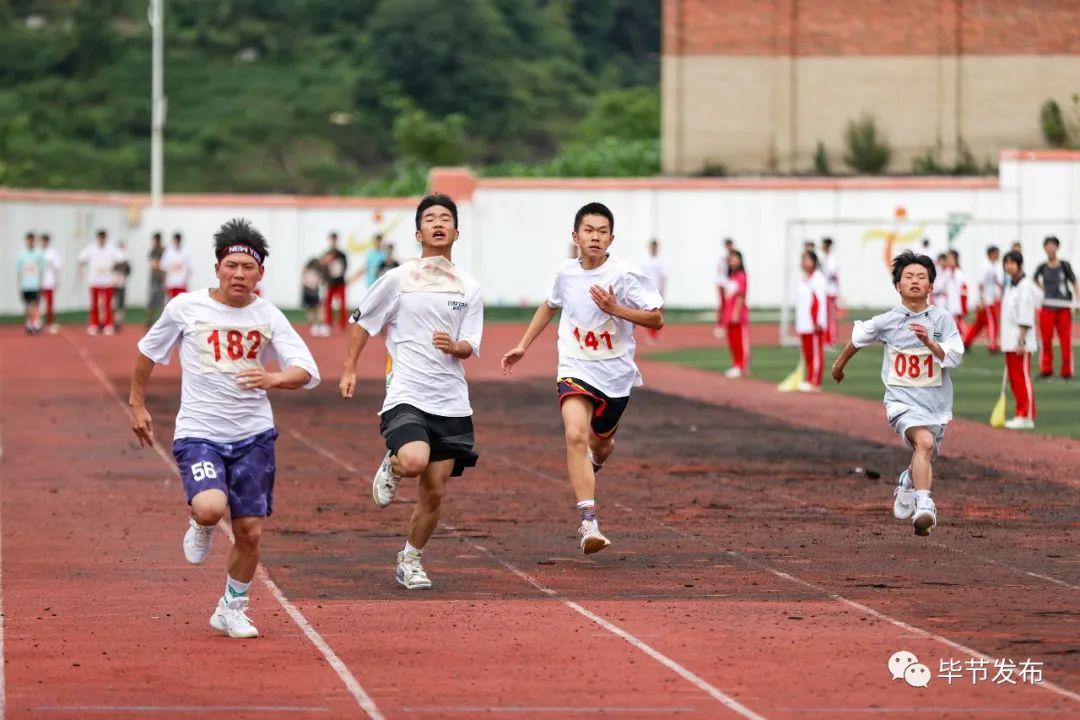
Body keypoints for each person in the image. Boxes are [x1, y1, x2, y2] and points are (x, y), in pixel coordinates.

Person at [129, 218, 320, 638]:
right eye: (231, 266)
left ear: (260, 274)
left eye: (247, 268)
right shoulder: (185, 308)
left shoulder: (268, 315)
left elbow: (306, 370)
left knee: (250, 531)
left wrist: (273, 378)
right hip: (200, 432)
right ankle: (200, 521)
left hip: (254, 436)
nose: (239, 274)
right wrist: (137, 404)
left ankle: (232, 607)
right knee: (212, 507)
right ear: (217, 268)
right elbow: (148, 352)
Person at [501, 202, 664, 555]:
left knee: (600, 443)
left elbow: (656, 320)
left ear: (611, 238)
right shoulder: (566, 274)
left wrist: (615, 309)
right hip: (575, 366)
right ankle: (588, 522)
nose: (595, 236)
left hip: (615, 374)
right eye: (588, 230)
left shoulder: (625, 276)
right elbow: (549, 304)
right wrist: (522, 345)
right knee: (574, 434)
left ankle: (598, 456)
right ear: (576, 237)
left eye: (602, 231)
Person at [340, 194, 483, 590]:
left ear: (456, 231)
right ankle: (394, 463)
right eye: (430, 218)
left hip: (451, 399)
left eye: (446, 218)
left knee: (434, 492)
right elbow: (363, 322)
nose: (438, 223)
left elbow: (471, 342)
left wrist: (456, 347)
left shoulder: (469, 288)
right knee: (415, 461)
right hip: (406, 393)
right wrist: (350, 369)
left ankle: (411, 559)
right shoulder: (399, 279)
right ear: (418, 232)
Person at [831, 251, 963, 536]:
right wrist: (839, 365)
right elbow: (857, 339)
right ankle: (925, 505)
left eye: (921, 277)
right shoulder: (887, 321)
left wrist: (930, 343)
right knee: (924, 443)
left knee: (924, 451)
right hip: (901, 402)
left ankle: (908, 481)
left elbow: (955, 356)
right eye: (909, 277)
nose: (915, 282)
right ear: (898, 286)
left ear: (931, 286)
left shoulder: (942, 321)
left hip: (936, 403)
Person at [1000, 250, 1040, 428]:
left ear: (1019, 265)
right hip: (1009, 340)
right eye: (1006, 263)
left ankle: (1027, 415)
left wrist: (1022, 341)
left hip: (1020, 341)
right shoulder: (1010, 285)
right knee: (1015, 379)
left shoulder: (1025, 286)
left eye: (1011, 263)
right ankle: (1020, 413)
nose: (1008, 266)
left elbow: (1026, 315)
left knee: (1022, 377)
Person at [1033, 236, 1077, 380]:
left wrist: (1077, 301)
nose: (1050, 248)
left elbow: (1074, 282)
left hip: (1063, 307)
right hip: (1047, 307)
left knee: (1065, 340)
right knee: (1046, 340)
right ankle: (1046, 369)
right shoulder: (1042, 267)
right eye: (1048, 245)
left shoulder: (1064, 265)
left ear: (1057, 247)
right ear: (1045, 248)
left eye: (1053, 245)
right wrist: (1043, 289)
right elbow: (1034, 278)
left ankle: (1067, 371)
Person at [794, 250, 828, 392]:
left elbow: (819, 300)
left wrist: (818, 321)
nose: (805, 262)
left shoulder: (818, 278)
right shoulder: (804, 279)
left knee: (815, 353)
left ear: (814, 262)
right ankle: (809, 378)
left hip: (814, 323)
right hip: (804, 323)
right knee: (807, 353)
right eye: (803, 259)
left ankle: (815, 381)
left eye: (808, 259)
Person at [78, 229, 121, 335]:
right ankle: (94, 324)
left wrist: (112, 268)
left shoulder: (112, 248)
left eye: (103, 237)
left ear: (106, 238)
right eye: (100, 237)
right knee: (95, 304)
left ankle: (108, 324)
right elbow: (81, 258)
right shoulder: (91, 248)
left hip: (108, 281)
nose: (101, 240)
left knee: (107, 304)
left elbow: (121, 259)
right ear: (97, 238)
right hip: (95, 280)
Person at [963, 245, 1003, 352]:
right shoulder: (986, 267)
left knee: (979, 324)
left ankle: (966, 342)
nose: (998, 255)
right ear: (992, 254)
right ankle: (992, 346)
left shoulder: (993, 266)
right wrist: (981, 299)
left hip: (987, 299)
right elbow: (980, 283)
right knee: (992, 322)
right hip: (987, 300)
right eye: (997, 253)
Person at [722, 250, 749, 378]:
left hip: (738, 315)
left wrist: (736, 313)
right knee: (732, 342)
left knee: (739, 342)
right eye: (731, 259)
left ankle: (741, 365)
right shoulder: (730, 276)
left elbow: (740, 296)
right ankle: (735, 364)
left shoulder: (741, 276)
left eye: (735, 259)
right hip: (728, 315)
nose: (733, 261)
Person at [640, 238, 669, 344]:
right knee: (649, 313)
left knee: (657, 314)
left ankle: (654, 334)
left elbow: (664, 278)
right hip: (647, 291)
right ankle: (651, 335)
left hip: (657, 291)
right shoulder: (645, 261)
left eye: (655, 247)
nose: (653, 249)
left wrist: (663, 292)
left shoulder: (661, 261)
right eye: (651, 247)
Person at [16, 231, 44, 335]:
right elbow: (18, 272)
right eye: (29, 240)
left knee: (36, 304)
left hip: (35, 284)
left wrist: (41, 284)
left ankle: (36, 323)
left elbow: (41, 271)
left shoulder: (38, 254)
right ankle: (29, 323)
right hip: (25, 285)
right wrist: (18, 286)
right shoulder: (21, 255)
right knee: (27, 305)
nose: (30, 242)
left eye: (32, 240)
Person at [321, 232, 348, 333]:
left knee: (342, 304)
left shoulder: (341, 254)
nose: (333, 241)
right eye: (332, 239)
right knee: (328, 303)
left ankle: (343, 325)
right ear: (330, 240)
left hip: (340, 282)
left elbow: (345, 267)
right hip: (330, 283)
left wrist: (337, 272)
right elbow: (322, 267)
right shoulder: (326, 254)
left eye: (335, 239)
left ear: (337, 240)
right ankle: (328, 323)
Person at [40, 232, 61, 334]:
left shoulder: (53, 252)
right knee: (37, 304)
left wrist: (56, 280)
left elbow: (57, 267)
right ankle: (38, 322)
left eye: (46, 240)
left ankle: (50, 323)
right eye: (43, 240)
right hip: (37, 283)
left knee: (50, 304)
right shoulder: (37, 252)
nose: (44, 242)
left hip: (49, 282)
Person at [944, 250, 969, 337]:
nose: (948, 260)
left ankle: (966, 339)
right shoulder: (948, 272)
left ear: (955, 259)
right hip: (950, 304)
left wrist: (963, 306)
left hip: (957, 305)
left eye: (950, 258)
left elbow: (964, 291)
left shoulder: (959, 274)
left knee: (959, 324)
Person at [714, 238, 735, 338]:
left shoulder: (734, 256)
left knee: (729, 305)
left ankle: (727, 325)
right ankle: (720, 325)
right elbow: (720, 271)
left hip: (729, 284)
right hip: (723, 283)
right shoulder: (723, 256)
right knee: (723, 304)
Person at [821, 237, 840, 346]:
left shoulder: (831, 259)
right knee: (826, 317)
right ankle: (827, 339)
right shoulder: (825, 258)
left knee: (830, 317)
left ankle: (832, 339)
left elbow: (831, 274)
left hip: (830, 291)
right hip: (826, 291)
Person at [162, 231, 192, 299]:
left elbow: (190, 268)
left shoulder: (185, 252)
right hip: (171, 283)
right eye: (176, 239)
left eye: (179, 239)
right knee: (171, 303)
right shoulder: (168, 252)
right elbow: (164, 268)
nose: (177, 241)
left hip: (181, 284)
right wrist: (165, 283)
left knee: (183, 303)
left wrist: (186, 280)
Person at [301, 256, 326, 334]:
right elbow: (304, 270)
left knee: (316, 308)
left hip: (313, 289)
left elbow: (322, 280)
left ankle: (318, 325)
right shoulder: (314, 264)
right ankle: (315, 326)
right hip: (309, 288)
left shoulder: (321, 269)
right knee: (311, 308)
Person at [147, 232, 167, 327]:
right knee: (152, 299)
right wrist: (162, 266)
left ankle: (160, 321)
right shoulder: (153, 251)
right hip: (154, 279)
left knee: (161, 300)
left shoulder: (164, 250)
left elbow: (163, 265)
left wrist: (161, 266)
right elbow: (154, 266)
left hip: (161, 278)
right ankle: (150, 320)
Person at [112, 240, 132, 332]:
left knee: (120, 304)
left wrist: (122, 277)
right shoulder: (112, 261)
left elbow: (128, 272)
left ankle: (118, 322)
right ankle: (111, 321)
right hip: (112, 285)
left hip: (122, 285)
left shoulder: (126, 262)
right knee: (112, 303)